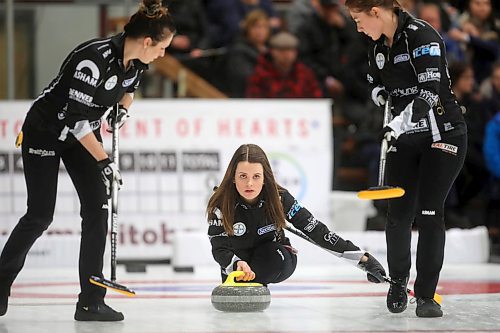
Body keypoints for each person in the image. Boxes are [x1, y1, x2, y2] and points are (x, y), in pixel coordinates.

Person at [0, 0, 175, 322]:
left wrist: (123, 109)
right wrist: (105, 161)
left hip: (81, 135)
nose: (163, 55)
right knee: (40, 215)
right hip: (47, 131)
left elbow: (128, 90)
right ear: (148, 41)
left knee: (98, 209)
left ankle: (91, 301)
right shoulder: (93, 59)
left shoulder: (136, 62)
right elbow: (77, 120)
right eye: (163, 47)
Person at [345, 0, 467, 318]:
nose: (357, 27)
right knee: (398, 214)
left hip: (443, 134)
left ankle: (426, 295)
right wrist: (381, 95)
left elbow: (430, 90)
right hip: (405, 139)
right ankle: (398, 281)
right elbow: (375, 82)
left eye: (358, 19)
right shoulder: (377, 46)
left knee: (429, 213)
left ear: (376, 11)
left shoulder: (422, 36)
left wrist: (400, 121)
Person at [206, 144, 386, 289]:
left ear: (265, 178)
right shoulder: (220, 205)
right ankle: (245, 278)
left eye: (256, 176)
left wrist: (364, 260)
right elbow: (219, 248)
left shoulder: (279, 198)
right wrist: (237, 265)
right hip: (237, 264)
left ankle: (254, 279)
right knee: (239, 272)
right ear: (233, 178)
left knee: (271, 261)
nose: (250, 183)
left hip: (273, 257)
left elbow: (317, 231)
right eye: (243, 176)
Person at [245, 31, 323, 98]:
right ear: (272, 52)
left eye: (290, 50)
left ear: (296, 53)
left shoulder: (305, 73)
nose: (286, 55)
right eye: (281, 51)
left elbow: (316, 97)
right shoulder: (260, 73)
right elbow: (254, 99)